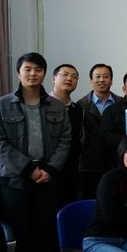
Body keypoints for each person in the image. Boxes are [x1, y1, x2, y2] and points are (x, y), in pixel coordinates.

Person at [0, 52, 71, 252]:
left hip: (47, 179)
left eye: (38, 69)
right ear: (18, 72)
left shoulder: (56, 106)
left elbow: (65, 140)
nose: (32, 74)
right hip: (13, 181)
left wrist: (49, 170)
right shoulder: (1, 105)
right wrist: (27, 169)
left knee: (43, 233)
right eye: (27, 69)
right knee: (17, 235)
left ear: (45, 73)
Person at [77, 63, 120, 199]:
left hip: (116, 162)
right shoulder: (80, 105)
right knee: (90, 201)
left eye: (106, 76)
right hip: (89, 164)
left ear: (111, 80)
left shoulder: (122, 103)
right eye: (98, 77)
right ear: (91, 81)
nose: (102, 80)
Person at [50, 63, 83, 209]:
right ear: (53, 78)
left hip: (70, 172)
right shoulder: (41, 105)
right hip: (47, 170)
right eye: (65, 74)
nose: (69, 79)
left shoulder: (77, 109)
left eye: (74, 77)